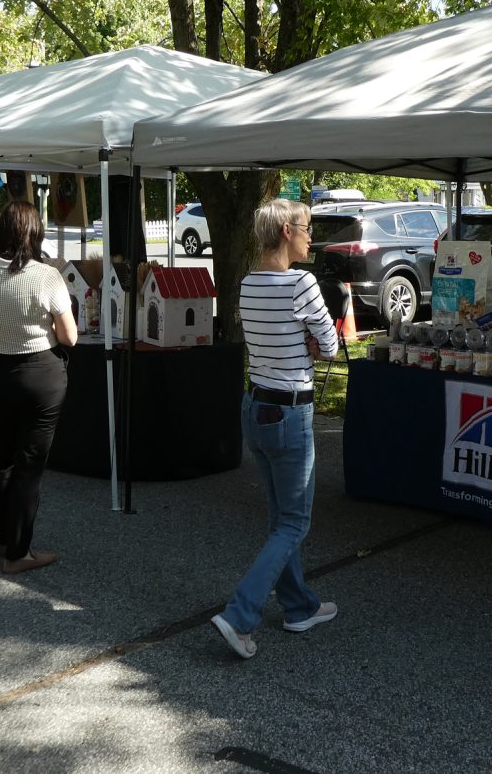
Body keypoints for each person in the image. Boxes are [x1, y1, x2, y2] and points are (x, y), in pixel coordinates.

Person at [210, 199, 339, 660]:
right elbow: (330, 344)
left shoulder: (247, 281)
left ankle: (299, 605)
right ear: (287, 231)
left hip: (256, 406)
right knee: (293, 521)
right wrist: (310, 340)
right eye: (307, 228)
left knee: (280, 517)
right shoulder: (301, 282)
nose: (311, 236)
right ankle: (241, 614)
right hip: (289, 412)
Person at [0, 201, 78, 575]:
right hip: (39, 374)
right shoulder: (46, 276)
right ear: (35, 232)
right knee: (29, 464)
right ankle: (19, 552)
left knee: (2, 458)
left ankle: (1, 537)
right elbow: (70, 337)